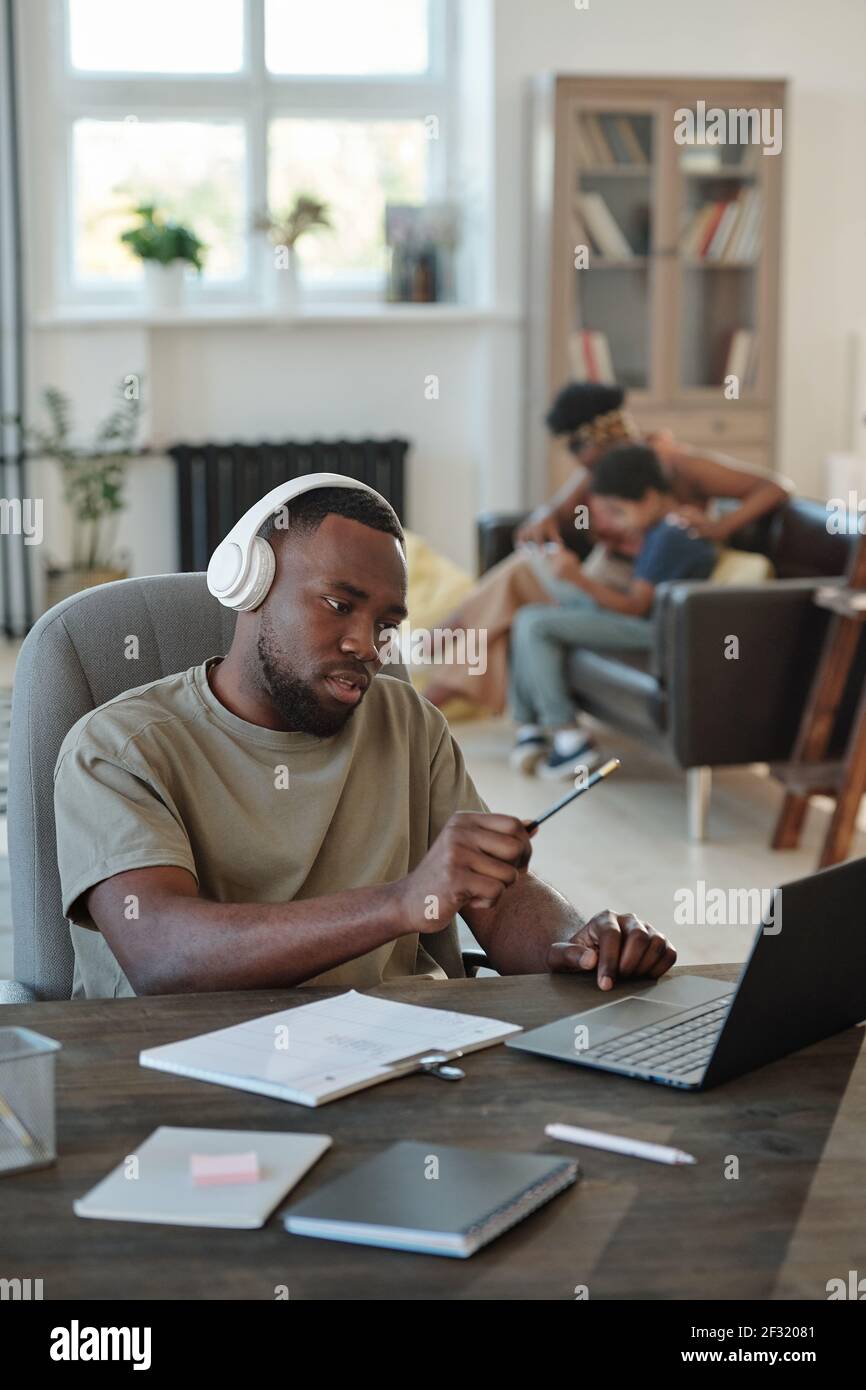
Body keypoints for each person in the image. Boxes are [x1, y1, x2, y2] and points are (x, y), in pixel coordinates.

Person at [53, 481, 677, 999]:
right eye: (337, 604)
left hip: (400, 1059)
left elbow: (498, 900)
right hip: (183, 1078)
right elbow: (162, 956)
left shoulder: (406, 720)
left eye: (386, 624)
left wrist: (579, 945)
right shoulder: (118, 746)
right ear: (250, 586)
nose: (365, 644)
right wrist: (401, 902)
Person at [424, 381, 791, 714]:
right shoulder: (598, 470)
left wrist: (720, 526)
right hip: (611, 574)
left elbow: (774, 487)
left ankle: (433, 659)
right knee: (518, 586)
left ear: (593, 441)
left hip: (637, 586)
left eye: (575, 449)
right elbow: (555, 510)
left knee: (519, 586)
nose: (577, 463)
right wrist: (545, 519)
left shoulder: (677, 464)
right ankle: (436, 679)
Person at [510, 444, 717, 779]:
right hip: (641, 618)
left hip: (656, 629)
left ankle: (568, 737)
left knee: (535, 623)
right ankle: (529, 724)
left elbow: (636, 607)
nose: (618, 522)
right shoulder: (661, 530)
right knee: (529, 611)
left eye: (618, 511)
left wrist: (579, 579)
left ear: (649, 498)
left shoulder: (669, 536)